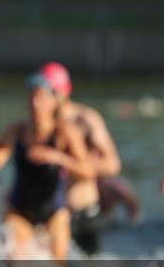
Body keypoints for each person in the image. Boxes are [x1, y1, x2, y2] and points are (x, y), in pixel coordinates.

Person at [0, 70, 96, 262]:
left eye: (40, 98)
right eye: (31, 97)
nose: (35, 104)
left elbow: (88, 172)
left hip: (54, 212)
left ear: (53, 102)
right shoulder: (17, 130)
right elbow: (0, 152)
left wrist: (57, 157)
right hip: (19, 210)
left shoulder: (64, 132)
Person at [48, 61, 141, 254]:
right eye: (42, 93)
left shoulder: (86, 119)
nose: (48, 99)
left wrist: (71, 164)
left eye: (52, 92)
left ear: (65, 91)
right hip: (51, 210)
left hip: (83, 209)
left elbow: (113, 164)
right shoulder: (39, 123)